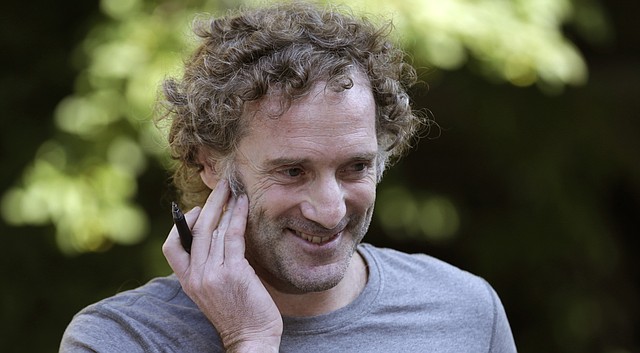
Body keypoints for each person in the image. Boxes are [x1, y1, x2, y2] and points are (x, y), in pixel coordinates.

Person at [60, 2, 517, 352]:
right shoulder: (122, 339)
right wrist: (250, 339)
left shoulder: (465, 312)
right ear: (210, 162)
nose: (331, 210)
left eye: (355, 167)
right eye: (293, 171)